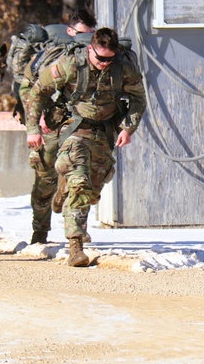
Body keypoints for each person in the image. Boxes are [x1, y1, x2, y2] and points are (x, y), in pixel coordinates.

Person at [25, 27, 146, 265]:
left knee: (93, 189)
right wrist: (33, 129)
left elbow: (138, 98)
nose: (104, 63)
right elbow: (39, 91)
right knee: (79, 183)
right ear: (90, 49)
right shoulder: (71, 65)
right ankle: (76, 246)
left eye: (109, 59)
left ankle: (63, 191)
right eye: (100, 58)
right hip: (73, 127)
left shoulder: (123, 69)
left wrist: (128, 128)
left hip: (104, 130)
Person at [18, 9, 96, 245]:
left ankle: (77, 230)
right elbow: (28, 89)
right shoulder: (51, 56)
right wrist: (34, 123)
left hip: (80, 125)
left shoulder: (96, 58)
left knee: (82, 175)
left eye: (91, 34)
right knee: (45, 179)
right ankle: (39, 231)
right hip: (51, 124)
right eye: (82, 34)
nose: (86, 40)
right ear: (70, 32)